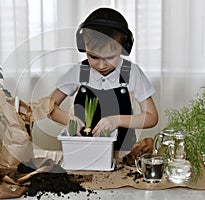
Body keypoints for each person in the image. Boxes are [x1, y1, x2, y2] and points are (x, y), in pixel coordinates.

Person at [49, 7, 158, 151]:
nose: (101, 65)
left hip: (122, 152)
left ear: (124, 47)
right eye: (93, 57)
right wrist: (68, 119)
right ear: (83, 46)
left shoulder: (131, 72)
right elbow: (48, 106)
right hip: (83, 150)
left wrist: (117, 120)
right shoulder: (79, 71)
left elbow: (152, 117)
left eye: (110, 57)